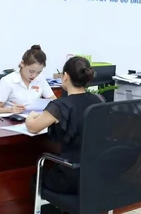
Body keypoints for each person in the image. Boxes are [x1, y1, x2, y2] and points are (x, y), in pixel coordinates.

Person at [26, 56, 103, 194]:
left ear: (65, 76)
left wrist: (30, 117)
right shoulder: (98, 100)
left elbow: (33, 127)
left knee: (36, 179)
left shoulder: (60, 105)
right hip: (96, 173)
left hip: (71, 174)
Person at [0, 45, 56, 114]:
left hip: (35, 120)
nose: (34, 75)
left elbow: (55, 102)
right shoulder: (7, 81)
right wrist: (10, 109)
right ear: (22, 64)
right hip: (13, 121)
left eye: (38, 72)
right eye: (31, 71)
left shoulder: (40, 79)